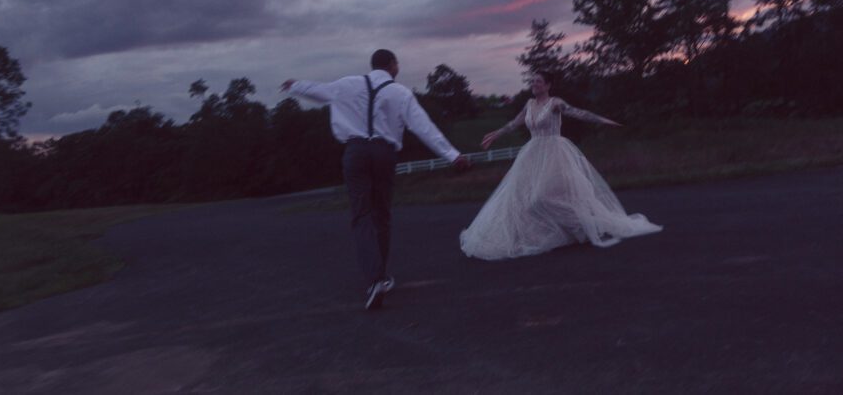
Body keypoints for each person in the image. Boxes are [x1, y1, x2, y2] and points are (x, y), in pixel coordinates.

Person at [282, 49, 470, 310]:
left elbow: (318, 91)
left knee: (361, 214)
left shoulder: (347, 84)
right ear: (391, 65)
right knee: (382, 214)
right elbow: (423, 126)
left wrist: (295, 86)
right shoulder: (400, 92)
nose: (398, 67)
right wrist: (452, 155)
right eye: (397, 63)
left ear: (373, 65)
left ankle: (375, 279)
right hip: (384, 154)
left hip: (355, 152)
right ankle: (380, 276)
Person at [460, 71, 661, 260]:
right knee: (525, 197)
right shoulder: (529, 104)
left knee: (540, 197)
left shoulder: (555, 103)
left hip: (555, 153)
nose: (534, 84)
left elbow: (579, 113)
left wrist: (604, 121)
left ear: (548, 85)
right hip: (533, 154)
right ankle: (561, 231)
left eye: (539, 81)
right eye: (533, 81)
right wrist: (495, 134)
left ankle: (587, 225)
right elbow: (514, 123)